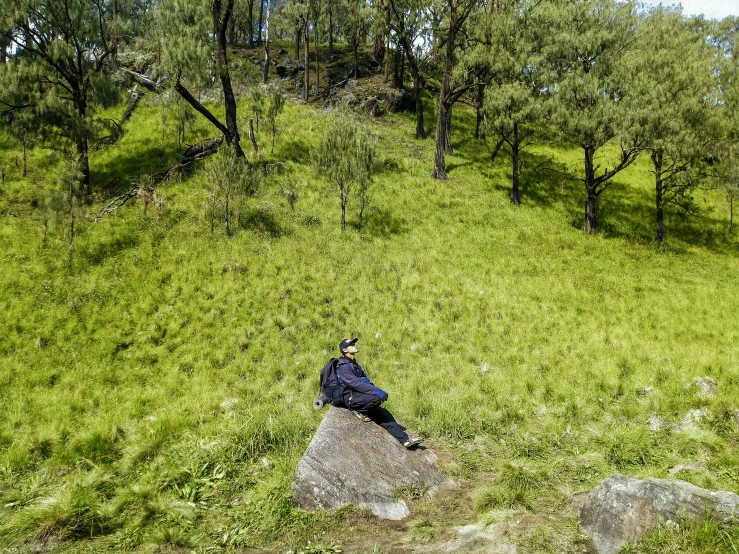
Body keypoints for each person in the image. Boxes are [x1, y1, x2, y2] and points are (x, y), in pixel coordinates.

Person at [334, 337, 423, 449]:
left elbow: (365, 381)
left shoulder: (355, 365)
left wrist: (373, 389)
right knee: (376, 398)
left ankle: (405, 440)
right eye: (351, 344)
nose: (355, 345)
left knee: (385, 414)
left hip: (359, 396)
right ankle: (358, 410)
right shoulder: (342, 366)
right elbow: (355, 384)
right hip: (349, 397)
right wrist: (377, 392)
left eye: (354, 343)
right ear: (345, 350)